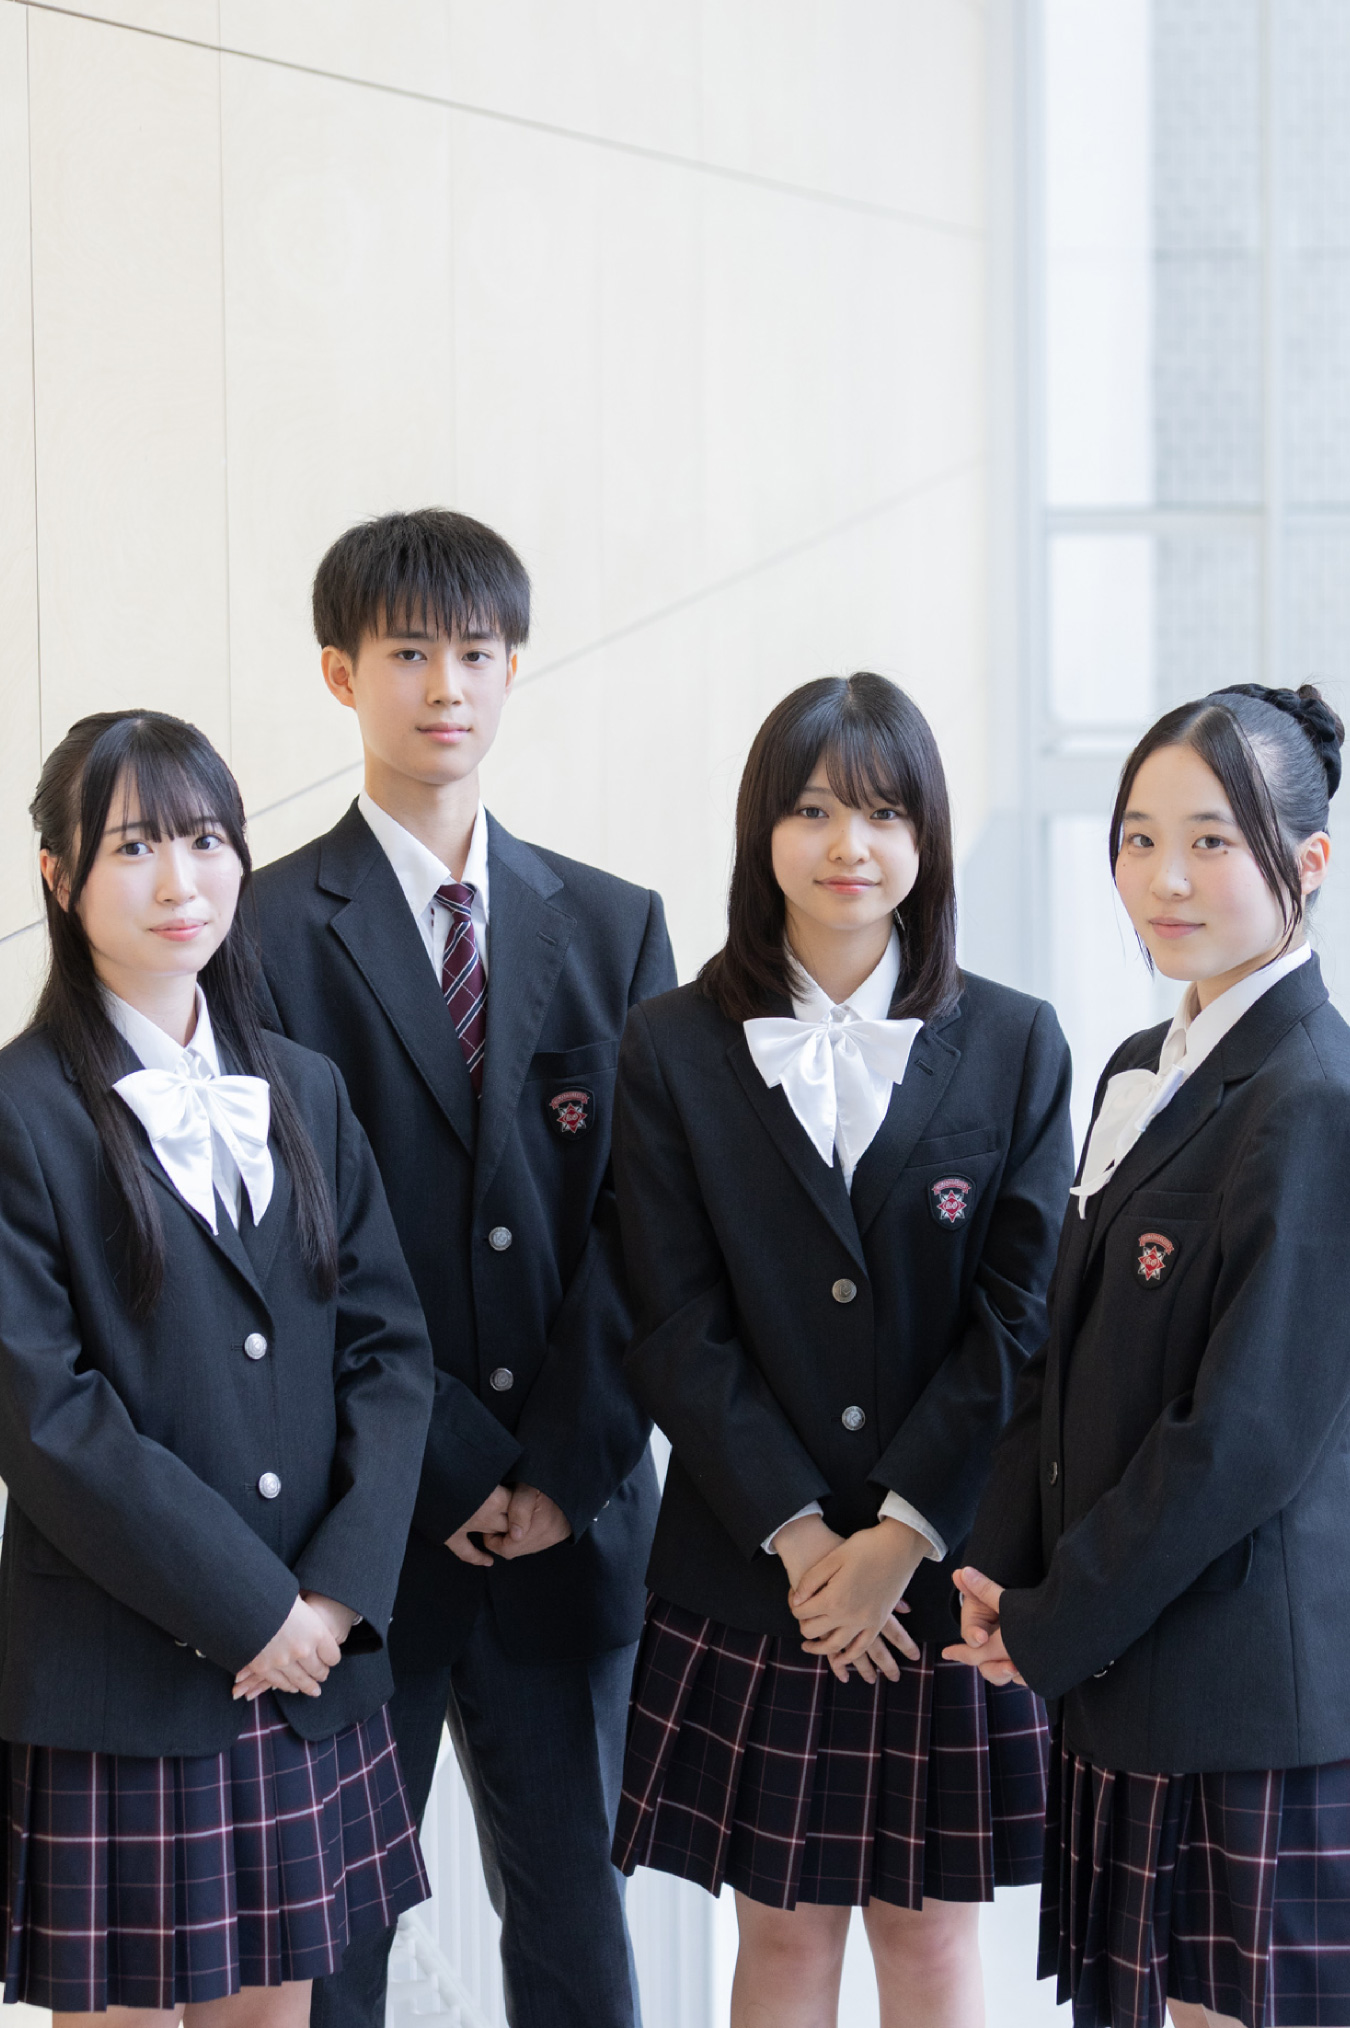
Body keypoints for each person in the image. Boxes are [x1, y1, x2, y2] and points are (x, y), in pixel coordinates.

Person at [250, 508, 677, 2028]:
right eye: (410, 652)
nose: (448, 685)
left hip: (575, 1522)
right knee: (335, 1945)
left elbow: (651, 1231)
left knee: (577, 1927)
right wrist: (453, 1467)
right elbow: (290, 1254)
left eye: (477, 653)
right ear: (340, 672)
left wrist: (555, 1471)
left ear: (513, 668)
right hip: (362, 1530)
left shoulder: (613, 925)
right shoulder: (262, 932)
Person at [610, 671, 1073, 2028]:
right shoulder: (670, 1046)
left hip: (946, 1575)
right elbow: (670, 1317)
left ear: (926, 836)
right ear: (761, 831)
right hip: (758, 1572)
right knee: (782, 1936)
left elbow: (1021, 1314)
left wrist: (900, 1537)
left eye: (882, 812)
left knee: (931, 1942)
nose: (846, 845)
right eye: (811, 810)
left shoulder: (1015, 1040)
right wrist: (810, 1541)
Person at [0, 709, 435, 2026]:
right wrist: (254, 1610)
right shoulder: (19, 1111)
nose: (181, 880)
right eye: (135, 846)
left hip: (308, 1662)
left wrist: (335, 1597)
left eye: (205, 840)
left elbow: (390, 1354)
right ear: (59, 876)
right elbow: (48, 1417)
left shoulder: (303, 1088)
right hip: (125, 1678)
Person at [945, 682, 1350, 2028]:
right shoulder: (1141, 1060)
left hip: (1241, 1691)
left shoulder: (1314, 1099)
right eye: (1137, 838)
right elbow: (1059, 1350)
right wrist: (1003, 1572)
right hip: (1131, 1662)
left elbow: (1240, 1439)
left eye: (1210, 841)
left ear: (1308, 862)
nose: (1163, 880)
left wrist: (1055, 1619)